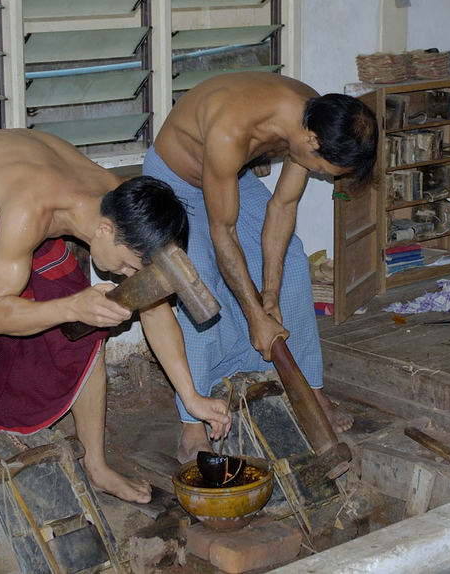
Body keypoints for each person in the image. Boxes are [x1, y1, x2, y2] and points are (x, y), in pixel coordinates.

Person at [0, 129, 231, 570]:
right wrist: (70, 305)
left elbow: (155, 308)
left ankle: (96, 466)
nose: (123, 274)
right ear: (103, 229)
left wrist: (192, 399)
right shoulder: (32, 211)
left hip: (27, 200)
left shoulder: (123, 206)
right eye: (124, 266)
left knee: (86, 330)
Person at [142, 72, 378, 462]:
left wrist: (269, 295)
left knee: (295, 270)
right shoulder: (233, 128)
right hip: (175, 184)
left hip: (229, 177)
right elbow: (223, 232)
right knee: (197, 289)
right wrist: (255, 316)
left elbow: (282, 206)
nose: (322, 176)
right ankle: (191, 424)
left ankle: (311, 389)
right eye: (325, 171)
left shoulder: (314, 113)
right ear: (312, 143)